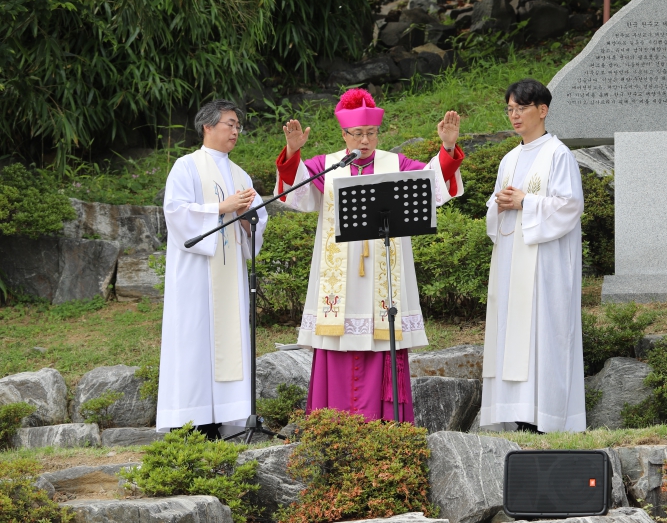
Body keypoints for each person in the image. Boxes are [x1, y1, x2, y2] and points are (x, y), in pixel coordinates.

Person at [275, 88, 465, 422]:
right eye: (358, 134)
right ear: (344, 133)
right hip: (341, 282)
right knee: (337, 339)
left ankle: (384, 423)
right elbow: (295, 192)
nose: (365, 140)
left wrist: (447, 148)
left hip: (383, 274)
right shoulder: (327, 166)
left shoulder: (396, 164)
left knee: (383, 336)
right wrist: (293, 152)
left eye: (371, 133)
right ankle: (332, 423)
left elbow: (433, 184)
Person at [480, 78, 586, 434]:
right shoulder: (509, 159)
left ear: (542, 110)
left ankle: (548, 418)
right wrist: (499, 204)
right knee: (513, 334)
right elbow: (497, 211)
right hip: (512, 263)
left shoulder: (558, 154)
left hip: (546, 266)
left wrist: (526, 201)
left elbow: (570, 207)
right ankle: (520, 416)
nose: (514, 115)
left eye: (521, 108)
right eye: (510, 109)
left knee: (543, 335)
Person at [157, 100, 266, 438]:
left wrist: (249, 220)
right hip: (195, 276)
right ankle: (193, 421)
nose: (236, 131)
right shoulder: (186, 166)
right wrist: (222, 207)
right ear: (207, 126)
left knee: (227, 339)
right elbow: (176, 213)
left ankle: (229, 420)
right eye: (229, 124)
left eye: (238, 126)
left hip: (229, 275)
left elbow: (257, 220)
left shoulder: (240, 174)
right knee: (194, 342)